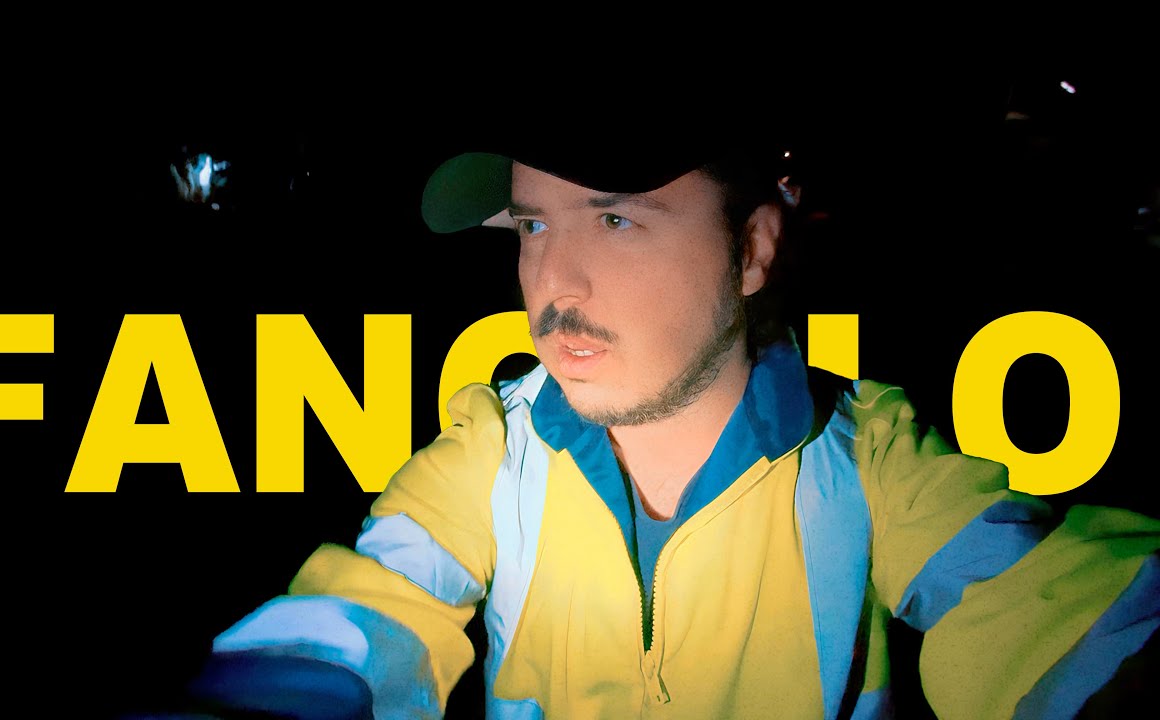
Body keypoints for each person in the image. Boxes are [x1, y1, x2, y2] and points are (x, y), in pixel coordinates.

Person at [174, 118, 1159, 720]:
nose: (552, 284)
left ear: (752, 249)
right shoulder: (491, 449)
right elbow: (363, 615)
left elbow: (1057, 613)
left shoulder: (869, 458)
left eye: (615, 219)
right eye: (532, 224)